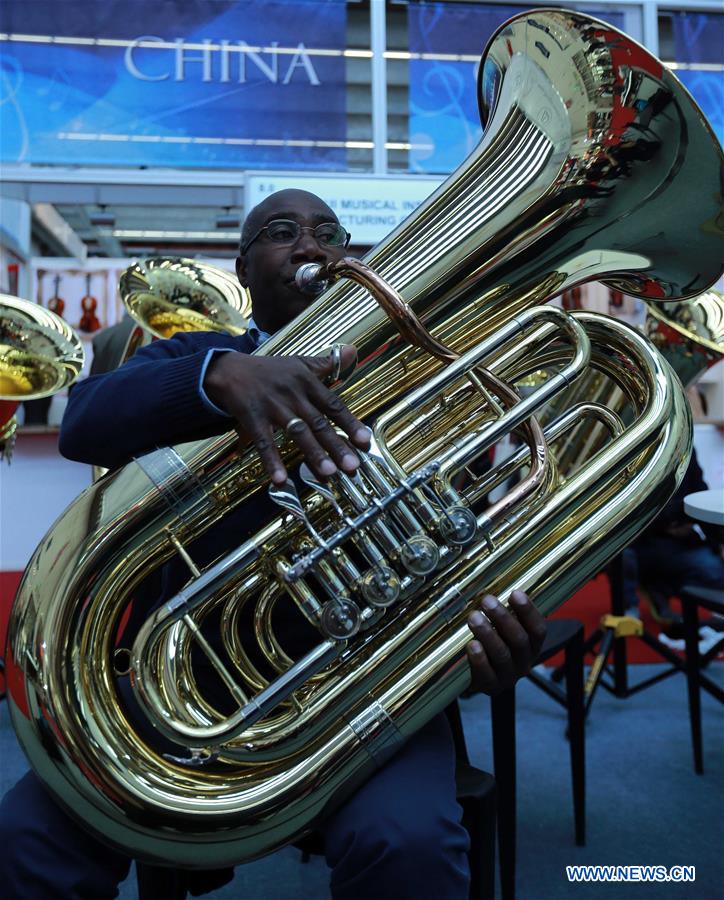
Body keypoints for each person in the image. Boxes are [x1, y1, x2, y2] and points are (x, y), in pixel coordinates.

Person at [1, 190, 547, 900]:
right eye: (282, 232)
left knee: (406, 845)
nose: (310, 247)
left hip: (369, 683)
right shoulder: (200, 356)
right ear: (245, 267)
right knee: (24, 843)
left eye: (328, 233)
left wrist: (495, 629)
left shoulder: (422, 376)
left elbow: (476, 533)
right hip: (190, 681)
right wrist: (220, 377)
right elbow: (84, 421)